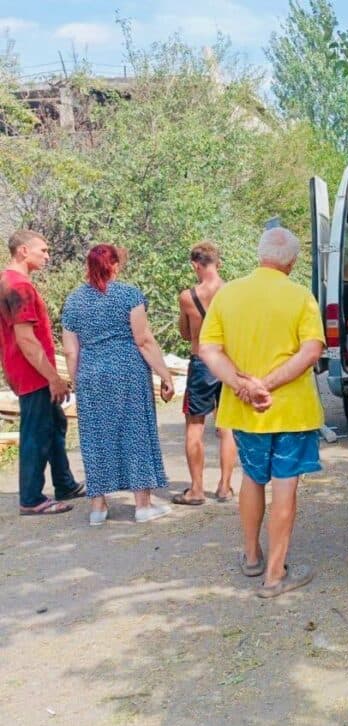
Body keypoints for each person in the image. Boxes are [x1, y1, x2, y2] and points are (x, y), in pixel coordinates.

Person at [198, 227, 325, 599]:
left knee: (252, 478)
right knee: (285, 486)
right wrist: (267, 384)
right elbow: (311, 351)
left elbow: (209, 350)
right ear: (294, 261)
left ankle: (252, 556)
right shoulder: (301, 297)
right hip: (291, 412)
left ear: (259, 254)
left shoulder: (229, 294)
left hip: (244, 411)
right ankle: (274, 575)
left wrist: (242, 386)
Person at [62, 244, 175, 526]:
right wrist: (165, 375)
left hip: (91, 374)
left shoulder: (74, 301)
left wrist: (77, 381)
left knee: (95, 437)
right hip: (128, 372)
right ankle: (143, 505)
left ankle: (98, 508)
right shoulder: (129, 295)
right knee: (134, 431)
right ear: (115, 265)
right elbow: (143, 340)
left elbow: (70, 351)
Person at [1, 230, 84, 516]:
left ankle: (64, 484)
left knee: (55, 425)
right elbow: (25, 338)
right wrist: (54, 377)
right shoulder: (18, 287)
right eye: (43, 251)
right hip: (34, 372)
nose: (48, 256)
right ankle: (31, 498)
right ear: (23, 251)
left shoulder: (10, 282)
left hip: (26, 370)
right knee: (36, 433)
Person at [173, 241, 236, 506]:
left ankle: (197, 489)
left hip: (201, 362)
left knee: (195, 426)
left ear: (194, 265)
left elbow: (186, 334)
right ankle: (224, 486)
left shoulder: (187, 297)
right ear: (218, 263)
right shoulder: (233, 292)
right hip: (228, 362)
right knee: (227, 426)